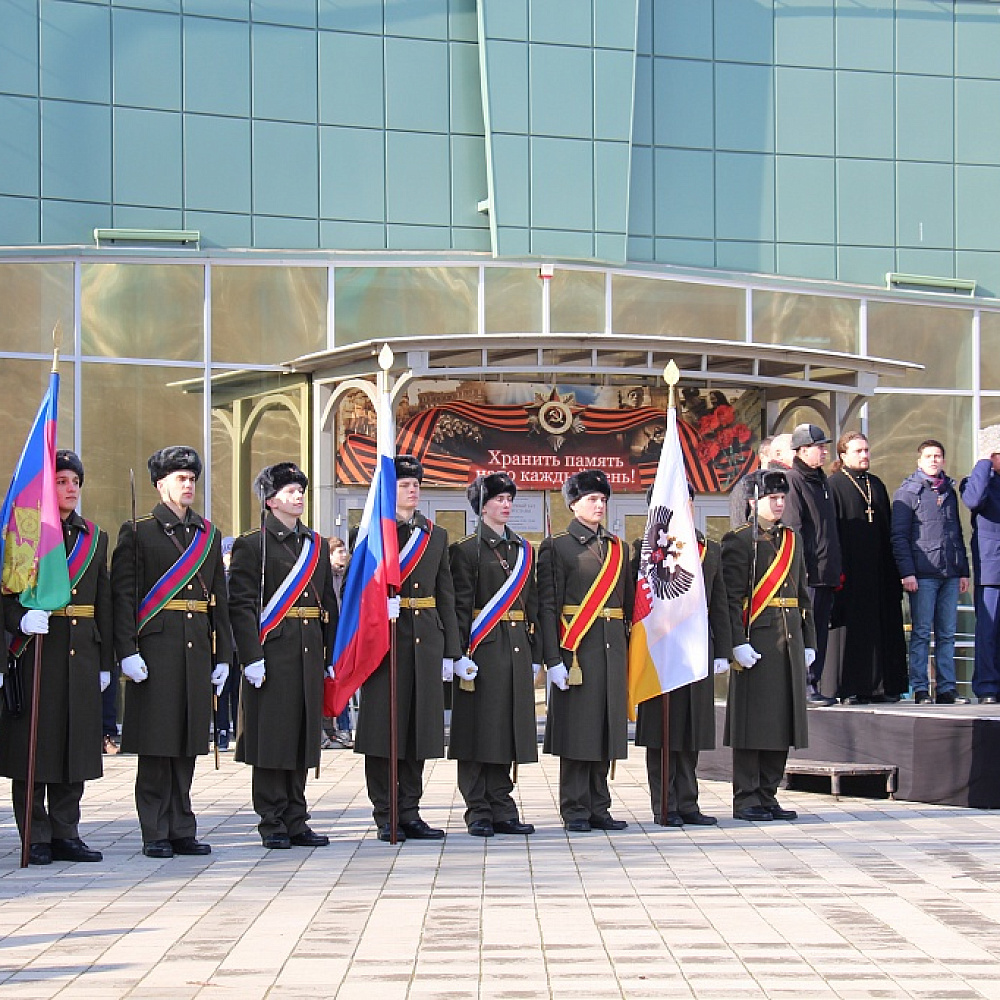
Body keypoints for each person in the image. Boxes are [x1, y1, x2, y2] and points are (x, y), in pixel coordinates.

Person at [111, 446, 232, 858]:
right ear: (160, 484)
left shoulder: (208, 535)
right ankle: (155, 831)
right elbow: (124, 596)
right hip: (156, 651)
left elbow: (221, 599)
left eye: (192, 479)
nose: (188, 485)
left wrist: (223, 657)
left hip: (197, 649)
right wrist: (126, 651)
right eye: (180, 478)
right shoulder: (138, 530)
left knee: (187, 742)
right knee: (157, 744)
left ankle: (183, 827)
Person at [0, 450, 113, 865]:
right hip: (36, 653)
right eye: (62, 481)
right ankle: (35, 834)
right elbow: (5, 597)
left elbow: (105, 602)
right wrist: (20, 620)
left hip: (80, 653)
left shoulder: (94, 537)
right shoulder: (24, 533)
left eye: (76, 483)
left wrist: (106, 661)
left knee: (74, 746)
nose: (71, 489)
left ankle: (67, 832)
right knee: (35, 748)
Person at [229, 463, 338, 850]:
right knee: (273, 739)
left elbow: (328, 602)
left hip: (308, 651)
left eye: (301, 490)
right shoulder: (252, 544)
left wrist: (329, 651)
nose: (299, 496)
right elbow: (241, 605)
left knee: (301, 737)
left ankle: (297, 817)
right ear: (271, 500)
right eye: (290, 491)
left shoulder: (315, 544)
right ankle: (272, 819)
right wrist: (251, 655)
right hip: (272, 654)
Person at [354, 454, 462, 843]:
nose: (413, 489)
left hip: (425, 639)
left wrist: (452, 649)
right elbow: (358, 592)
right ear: (388, 490)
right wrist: (378, 607)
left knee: (418, 730)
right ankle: (386, 812)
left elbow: (445, 594)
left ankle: (410, 810)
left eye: (416, 484)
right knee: (385, 730)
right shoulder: (370, 532)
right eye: (403, 484)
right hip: (385, 643)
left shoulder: (435, 535)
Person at [538, 468, 633, 833]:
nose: (599, 505)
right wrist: (553, 659)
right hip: (576, 650)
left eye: (603, 499)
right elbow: (549, 606)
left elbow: (625, 603)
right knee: (578, 732)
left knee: (605, 729)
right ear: (574, 503)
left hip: (611, 649)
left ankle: (599, 805)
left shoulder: (618, 548)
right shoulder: (557, 546)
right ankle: (575, 808)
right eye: (592, 499)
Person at [635, 483, 732, 827]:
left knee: (692, 728)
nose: (683, 507)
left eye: (687, 501)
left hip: (696, 648)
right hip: (660, 650)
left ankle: (689, 802)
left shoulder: (710, 548)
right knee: (663, 731)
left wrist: (722, 649)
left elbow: (719, 603)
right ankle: (665, 803)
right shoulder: (643, 550)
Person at [448, 472, 539, 837]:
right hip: (481, 649)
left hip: (516, 648)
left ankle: (502, 804)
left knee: (506, 731)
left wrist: (536, 655)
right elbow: (458, 608)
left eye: (509, 499)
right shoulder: (466, 550)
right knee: (477, 730)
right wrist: (457, 654)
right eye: (499, 499)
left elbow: (531, 605)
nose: (506, 505)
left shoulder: (521, 549)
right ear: (482, 506)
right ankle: (478, 808)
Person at [722, 469, 814, 821]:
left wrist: (810, 640)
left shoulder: (793, 539)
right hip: (757, 641)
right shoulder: (740, 540)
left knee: (781, 720)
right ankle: (746, 797)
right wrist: (737, 643)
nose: (778, 504)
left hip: (789, 638)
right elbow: (731, 599)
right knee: (753, 721)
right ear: (752, 501)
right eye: (771, 498)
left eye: (781, 498)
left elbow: (803, 596)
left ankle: (768, 793)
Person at [827, 432, 907, 702]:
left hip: (879, 570)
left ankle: (883, 686)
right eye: (858, 451)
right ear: (843, 455)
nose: (864, 455)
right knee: (854, 631)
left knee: (882, 628)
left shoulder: (877, 484)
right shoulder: (835, 485)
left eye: (866, 450)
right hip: (850, 571)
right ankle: (852, 688)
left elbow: (887, 529)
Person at [891, 440, 970, 705]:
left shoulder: (949, 491)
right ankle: (921, 689)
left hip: (949, 573)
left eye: (938, 456)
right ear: (919, 461)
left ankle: (947, 689)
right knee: (922, 633)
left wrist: (963, 571)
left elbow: (956, 533)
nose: (934, 460)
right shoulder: (908, 492)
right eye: (928, 456)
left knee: (947, 633)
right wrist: (907, 572)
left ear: (943, 461)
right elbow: (899, 537)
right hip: (923, 575)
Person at [782, 423, 841, 706]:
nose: (824, 451)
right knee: (808, 629)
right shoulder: (794, 480)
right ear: (803, 450)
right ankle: (805, 684)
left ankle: (815, 681)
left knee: (820, 628)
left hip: (826, 571)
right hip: (809, 571)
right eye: (819, 447)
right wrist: (800, 565)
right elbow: (794, 527)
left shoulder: (822, 481)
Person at [962, 427, 1000, 704]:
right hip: (991, 569)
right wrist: (984, 462)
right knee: (988, 631)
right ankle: (987, 686)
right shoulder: (976, 482)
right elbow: (974, 500)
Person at [322, 536, 353, 749]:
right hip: (328, 635)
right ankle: (325, 730)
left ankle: (344, 729)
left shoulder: (349, 576)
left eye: (344, 550)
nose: (344, 554)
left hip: (346, 635)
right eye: (339, 551)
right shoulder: (323, 575)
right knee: (326, 683)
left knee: (344, 684)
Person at [214, 535, 240, 752]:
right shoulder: (218, 579)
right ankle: (221, 731)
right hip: (223, 644)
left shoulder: (242, 578)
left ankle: (239, 730)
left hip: (239, 645)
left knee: (239, 693)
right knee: (221, 692)